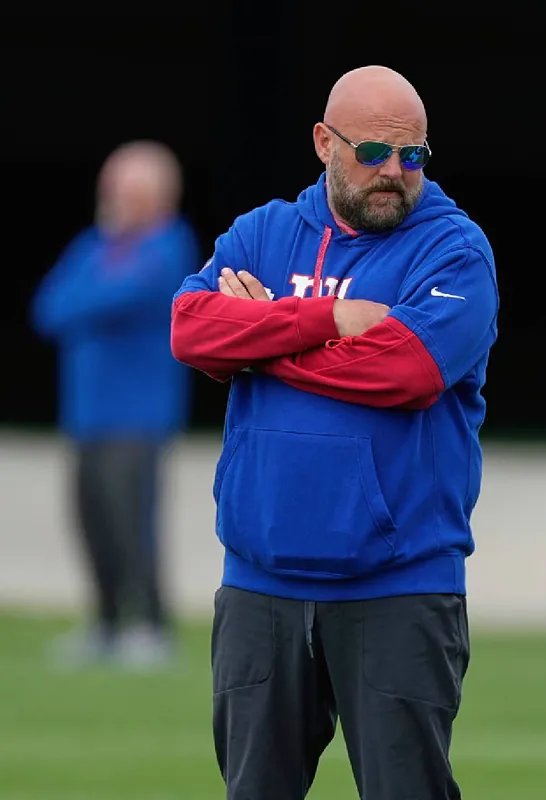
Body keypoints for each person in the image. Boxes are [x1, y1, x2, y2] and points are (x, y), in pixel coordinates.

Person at [170, 65, 498, 799]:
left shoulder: (455, 250)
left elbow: (406, 369)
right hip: (260, 585)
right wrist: (325, 320)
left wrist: (259, 338)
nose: (394, 172)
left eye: (413, 155)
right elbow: (189, 329)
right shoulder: (261, 233)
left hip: (399, 585)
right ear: (324, 142)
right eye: (373, 152)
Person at [31, 140, 198, 669]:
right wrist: (93, 294)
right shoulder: (94, 245)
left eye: (128, 189)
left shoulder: (169, 245)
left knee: (133, 521)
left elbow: (116, 297)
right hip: (87, 414)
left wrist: (90, 297)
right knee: (92, 518)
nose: (115, 199)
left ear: (159, 195)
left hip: (139, 415)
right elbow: (49, 308)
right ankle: (105, 623)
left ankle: (150, 625)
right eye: (113, 188)